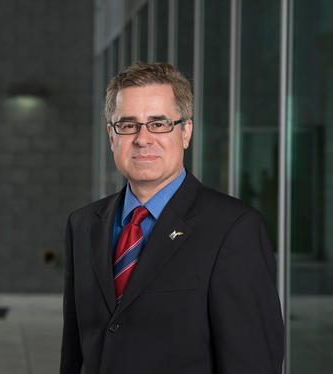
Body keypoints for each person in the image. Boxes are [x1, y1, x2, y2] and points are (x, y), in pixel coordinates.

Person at [60, 62, 284, 374]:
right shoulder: (83, 224)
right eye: (128, 125)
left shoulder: (234, 228)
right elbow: (74, 351)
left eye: (159, 123)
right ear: (112, 136)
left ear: (186, 132)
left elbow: (251, 361)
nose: (142, 139)